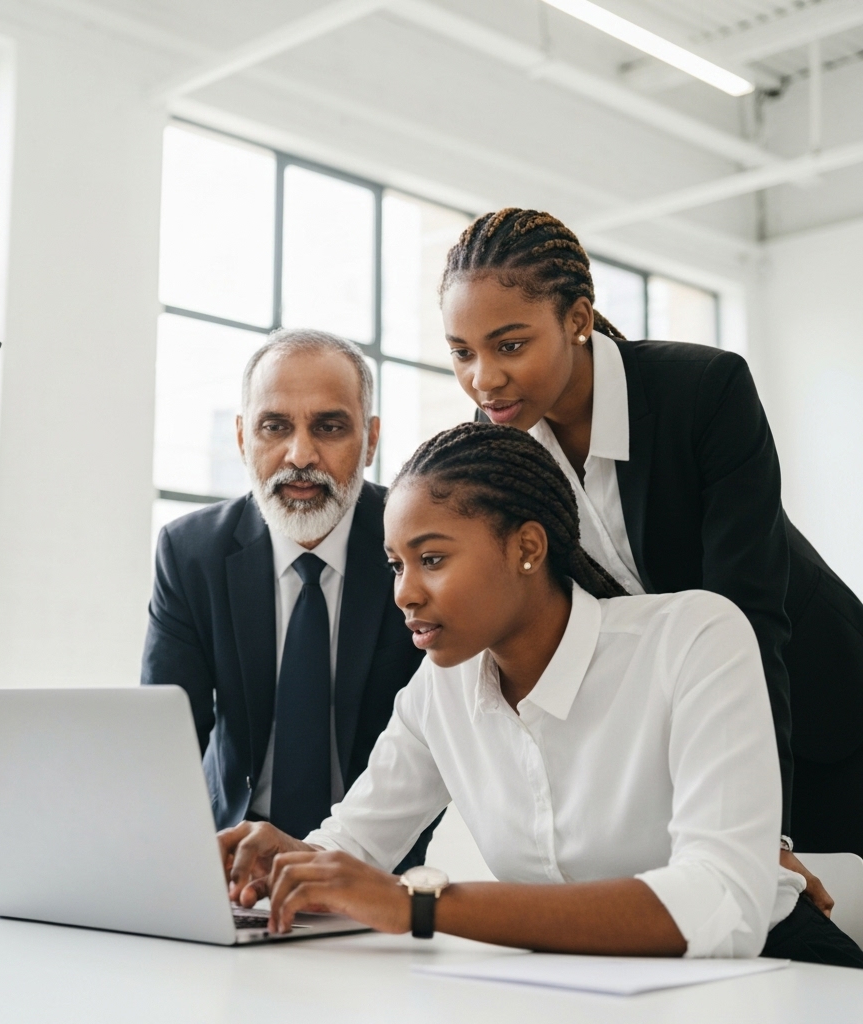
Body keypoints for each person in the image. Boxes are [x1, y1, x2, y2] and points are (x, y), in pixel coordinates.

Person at [220, 423, 863, 967]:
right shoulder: (438, 691)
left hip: (775, 970)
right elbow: (351, 851)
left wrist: (420, 905)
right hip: (579, 984)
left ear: (528, 547)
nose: (405, 593)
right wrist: (281, 862)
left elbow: (723, 906)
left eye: (433, 559)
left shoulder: (693, 637)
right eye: (396, 565)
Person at [437, 209, 863, 873]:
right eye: (462, 352)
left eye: (510, 345)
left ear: (577, 319)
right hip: (685, 735)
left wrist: (764, 834)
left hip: (818, 706)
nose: (483, 379)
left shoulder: (703, 391)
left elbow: (748, 620)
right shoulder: (499, 442)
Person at [142, 328, 436, 866]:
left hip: (373, 861)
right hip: (229, 857)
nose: (300, 455)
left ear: (370, 440)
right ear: (241, 438)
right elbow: (167, 738)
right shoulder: (190, 553)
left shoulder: (420, 544)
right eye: (274, 426)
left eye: (329, 427)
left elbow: (441, 731)